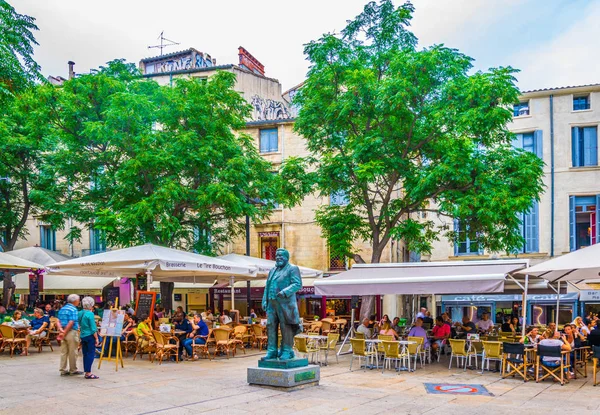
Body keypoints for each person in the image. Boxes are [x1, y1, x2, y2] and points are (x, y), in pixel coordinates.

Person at [56, 294, 82, 376]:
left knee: (64, 351)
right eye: (78, 300)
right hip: (71, 331)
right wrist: (65, 332)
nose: (79, 302)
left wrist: (61, 330)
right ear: (75, 301)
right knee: (73, 351)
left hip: (63, 330)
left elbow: (58, 321)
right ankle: (73, 369)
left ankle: (63, 369)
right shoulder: (73, 309)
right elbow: (71, 322)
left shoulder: (62, 308)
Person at [78, 297, 100, 379]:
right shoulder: (90, 314)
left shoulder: (80, 313)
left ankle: (86, 370)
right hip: (90, 335)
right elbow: (93, 328)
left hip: (83, 335)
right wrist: (97, 338)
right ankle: (88, 372)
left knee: (85, 354)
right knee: (91, 353)